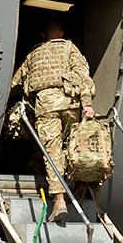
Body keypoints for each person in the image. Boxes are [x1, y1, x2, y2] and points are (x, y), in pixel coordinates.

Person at [10, 19, 95, 222]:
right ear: (62, 33)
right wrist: (87, 103)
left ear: (43, 36)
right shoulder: (69, 48)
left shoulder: (32, 55)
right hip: (70, 105)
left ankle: (58, 200)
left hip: (46, 107)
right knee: (71, 146)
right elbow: (83, 76)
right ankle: (77, 187)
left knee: (52, 152)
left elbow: (14, 83)